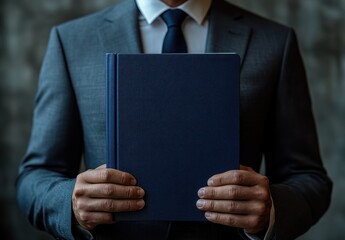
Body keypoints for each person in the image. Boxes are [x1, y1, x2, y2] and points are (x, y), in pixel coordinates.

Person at [16, 0, 332, 239]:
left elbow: (308, 177)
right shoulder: (72, 41)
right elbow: (35, 176)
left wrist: (272, 209)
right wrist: (70, 203)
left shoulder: (274, 42)